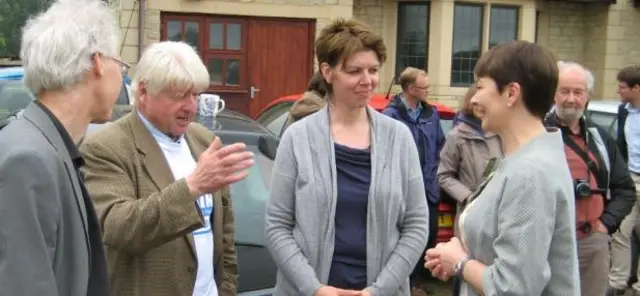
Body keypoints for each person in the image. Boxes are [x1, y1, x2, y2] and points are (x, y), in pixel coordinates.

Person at [264, 18, 430, 296]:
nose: (367, 80)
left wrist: (379, 290)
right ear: (328, 72)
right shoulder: (298, 138)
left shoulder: (399, 138)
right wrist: (314, 288)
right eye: (354, 71)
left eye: (373, 70)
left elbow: (416, 225)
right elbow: (277, 225)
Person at [80, 41, 252, 296]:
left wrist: (226, 289)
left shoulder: (203, 140)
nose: (191, 106)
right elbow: (119, 229)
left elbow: (224, 234)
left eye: (195, 94)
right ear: (144, 92)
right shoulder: (106, 147)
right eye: (179, 95)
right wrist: (192, 187)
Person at [424, 40, 580, 295]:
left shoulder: (530, 173)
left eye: (480, 87)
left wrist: (461, 263)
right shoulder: (522, 159)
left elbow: (513, 287)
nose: (473, 99)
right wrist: (461, 254)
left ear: (511, 93)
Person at [0, 0, 121, 295]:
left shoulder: (44, 145)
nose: (121, 73)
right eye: (121, 63)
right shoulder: (29, 159)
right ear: (97, 63)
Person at [544, 61, 635, 296]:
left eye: (578, 92)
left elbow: (624, 189)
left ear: (587, 96)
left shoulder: (600, 138)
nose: (571, 99)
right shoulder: (537, 133)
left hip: (591, 243)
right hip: (546, 244)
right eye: (564, 91)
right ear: (553, 93)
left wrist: (606, 224)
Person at [382, 67, 445, 295]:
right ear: (410, 89)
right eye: (424, 87)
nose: (428, 91)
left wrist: (435, 175)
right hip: (401, 188)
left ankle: (415, 282)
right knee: (400, 237)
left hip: (428, 188)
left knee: (426, 236)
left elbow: (440, 146)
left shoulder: (432, 115)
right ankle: (401, 283)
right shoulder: (390, 116)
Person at [437, 83, 503, 238]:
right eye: (478, 104)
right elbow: (444, 175)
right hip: (470, 212)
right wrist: (468, 196)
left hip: (498, 210)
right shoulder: (456, 136)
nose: (481, 108)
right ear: (470, 103)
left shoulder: (499, 132)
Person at [608, 64, 640, 296]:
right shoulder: (623, 111)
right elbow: (620, 146)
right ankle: (617, 282)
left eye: (622, 87)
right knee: (621, 231)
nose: (618, 90)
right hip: (630, 179)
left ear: (636, 88)